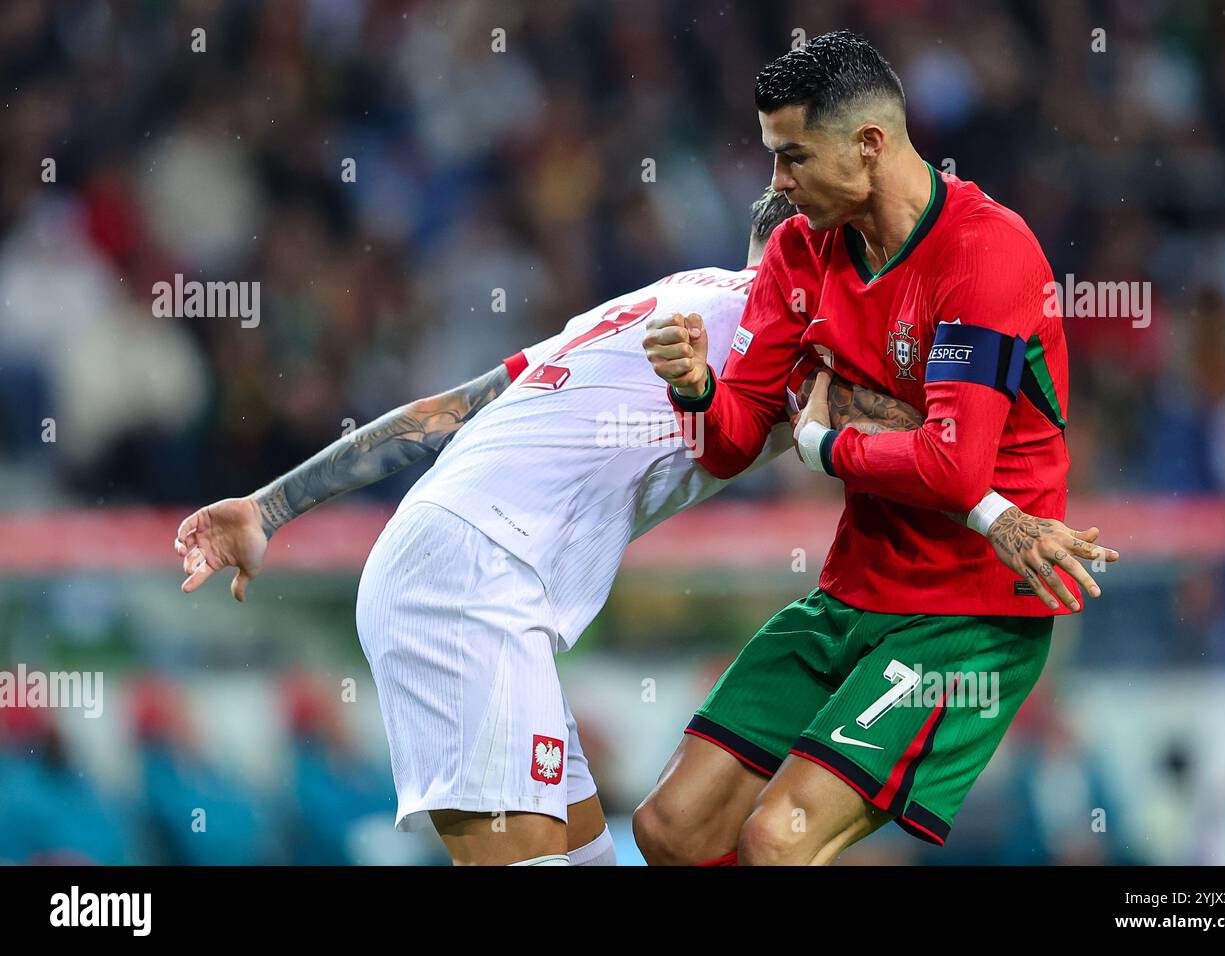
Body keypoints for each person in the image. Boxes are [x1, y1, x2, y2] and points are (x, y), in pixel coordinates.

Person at [175, 189, 1112, 865]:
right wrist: (1010, 520)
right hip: (466, 586)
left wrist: (272, 506)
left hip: (470, 569)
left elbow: (444, 411)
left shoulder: (653, 303)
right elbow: (911, 434)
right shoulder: (771, 340)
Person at [638, 31, 1106, 865]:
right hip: (854, 591)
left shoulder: (985, 251)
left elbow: (951, 466)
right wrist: (699, 390)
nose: (776, 183)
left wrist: (820, 444)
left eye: (792, 158)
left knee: (779, 841)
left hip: (973, 611)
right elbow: (732, 442)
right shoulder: (797, 249)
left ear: (868, 143)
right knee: (672, 829)